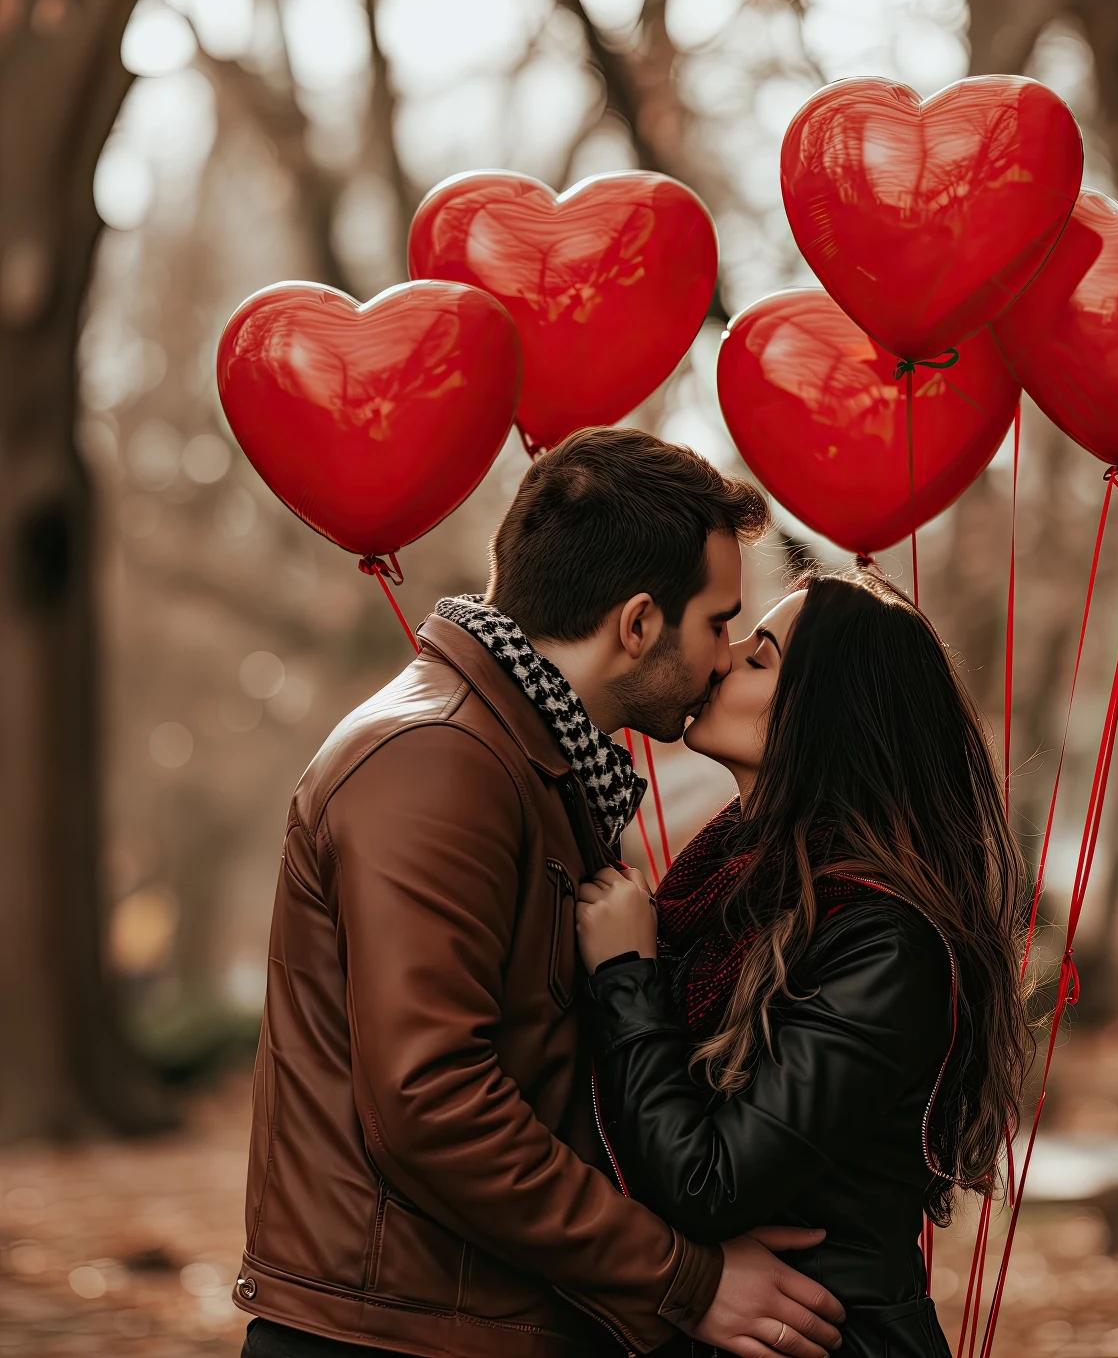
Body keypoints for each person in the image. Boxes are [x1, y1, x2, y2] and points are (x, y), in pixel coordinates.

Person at [235, 428, 847, 1358]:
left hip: (462, 1319)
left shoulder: (530, 760)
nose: (725, 657)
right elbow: (433, 1104)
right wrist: (685, 1278)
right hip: (400, 1338)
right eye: (718, 622)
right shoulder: (438, 761)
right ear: (638, 623)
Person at [575, 572, 1032, 1358]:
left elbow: (708, 1182)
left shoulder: (884, 945)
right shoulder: (729, 889)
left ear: (827, 715)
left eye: (760, 659)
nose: (721, 662)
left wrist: (626, 976)